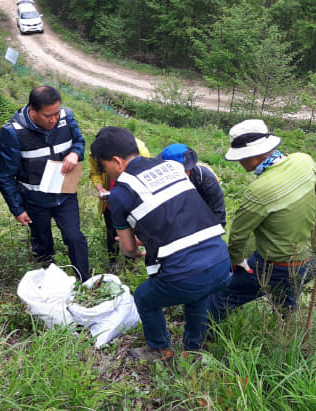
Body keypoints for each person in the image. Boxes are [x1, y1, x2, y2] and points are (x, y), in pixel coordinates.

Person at [90, 126, 230, 361]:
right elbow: (176, 213)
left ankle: (160, 349)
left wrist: (136, 247)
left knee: (144, 297)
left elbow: (128, 249)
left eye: (105, 168)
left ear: (116, 161)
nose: (108, 174)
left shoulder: (120, 194)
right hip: (220, 261)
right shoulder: (174, 168)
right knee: (198, 294)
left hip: (185, 274)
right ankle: (192, 348)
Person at [208, 119, 316, 322]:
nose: (239, 163)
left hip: (275, 265)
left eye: (241, 158)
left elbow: (238, 236)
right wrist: (315, 219)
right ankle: (287, 330)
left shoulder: (258, 191)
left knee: (222, 295)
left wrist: (238, 261)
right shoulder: (303, 160)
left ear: (254, 155)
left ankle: (198, 342)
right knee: (286, 295)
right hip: (310, 259)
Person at [0, 86, 90, 281]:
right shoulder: (13, 133)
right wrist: (17, 209)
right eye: (48, 115)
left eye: (56, 113)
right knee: (42, 242)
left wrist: (75, 153)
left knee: (75, 237)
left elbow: (79, 142)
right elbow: (4, 174)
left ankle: (85, 280)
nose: (54, 119)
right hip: (34, 199)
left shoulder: (67, 117)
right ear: (32, 111)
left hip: (65, 192)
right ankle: (48, 280)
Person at [88, 136, 151, 273]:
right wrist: (100, 187)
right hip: (111, 202)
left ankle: (131, 264)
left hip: (130, 201)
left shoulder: (138, 152)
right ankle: (113, 263)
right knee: (112, 232)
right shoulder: (96, 154)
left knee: (132, 232)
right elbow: (95, 173)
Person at [157, 143, 226, 227]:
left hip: (202, 220)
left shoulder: (205, 179)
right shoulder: (159, 179)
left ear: (188, 170)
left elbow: (217, 214)